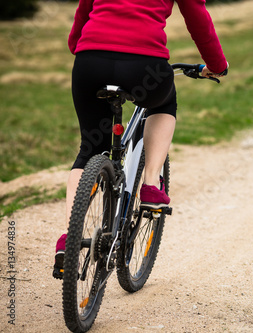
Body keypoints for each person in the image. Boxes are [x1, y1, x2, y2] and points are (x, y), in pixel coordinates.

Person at [53, 0, 228, 279]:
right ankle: (150, 185)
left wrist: (80, 46)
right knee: (164, 103)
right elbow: (196, 17)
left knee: (89, 150)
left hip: (90, 63)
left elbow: (83, 9)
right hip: (144, 66)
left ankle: (69, 241)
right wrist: (217, 65)